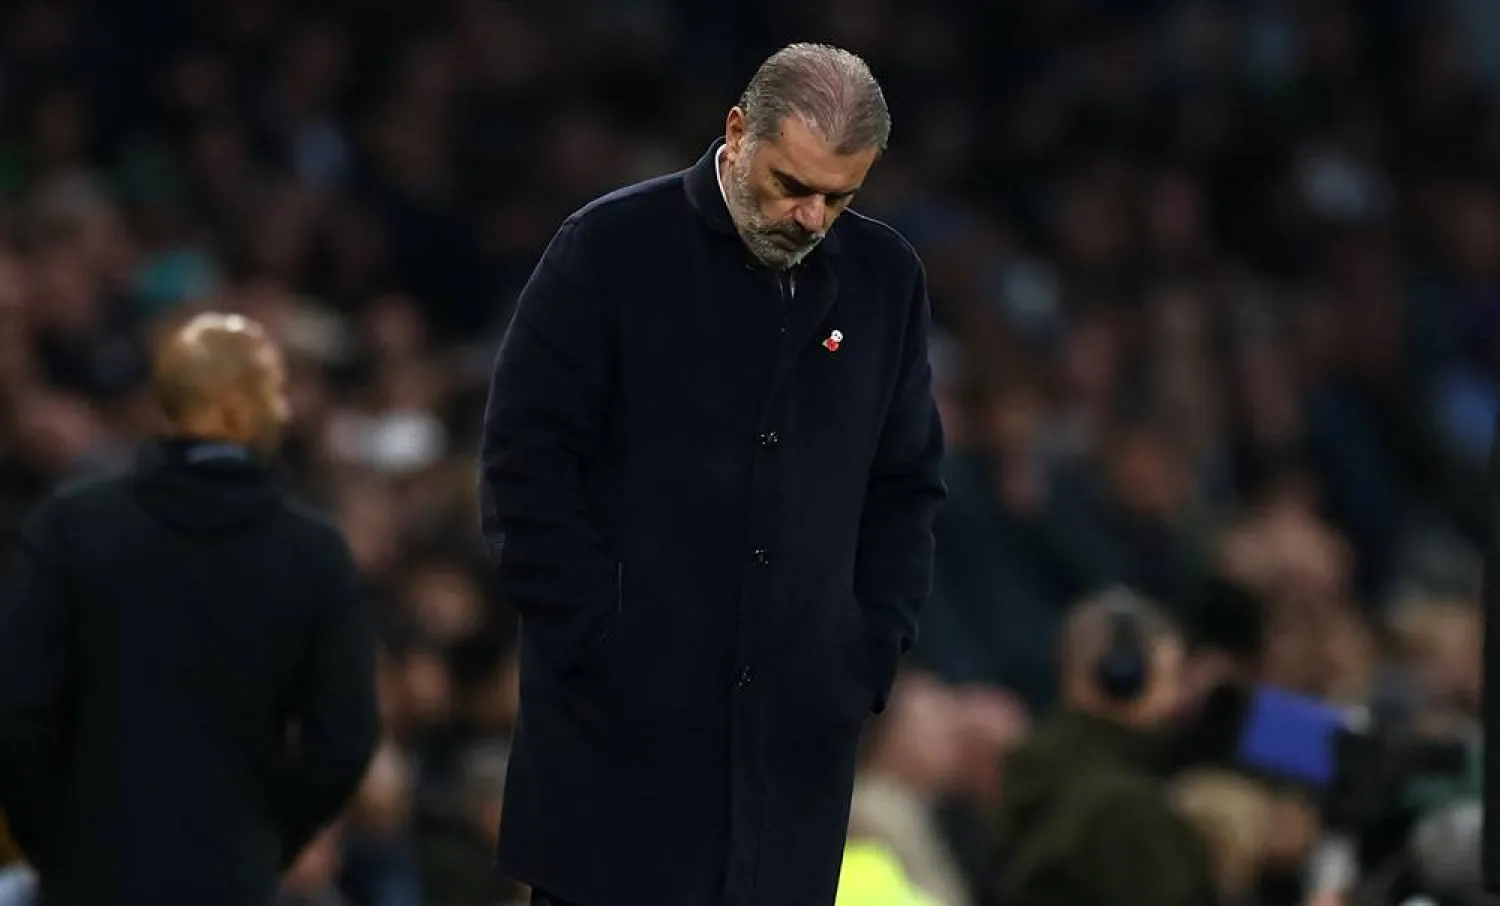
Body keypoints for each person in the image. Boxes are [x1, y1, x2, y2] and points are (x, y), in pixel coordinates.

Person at [479, 42, 946, 906]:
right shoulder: (608, 250)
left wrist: (867, 651)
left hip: (791, 757)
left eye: (839, 198)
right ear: (736, 132)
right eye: (790, 186)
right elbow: (524, 466)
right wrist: (598, 640)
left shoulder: (886, 281)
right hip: (614, 756)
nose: (811, 217)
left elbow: (905, 486)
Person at [0, 313, 380, 906]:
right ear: (250, 406)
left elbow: (17, 709)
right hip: (230, 875)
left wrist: (57, 842)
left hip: (87, 873)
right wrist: (264, 841)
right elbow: (343, 740)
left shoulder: (71, 526)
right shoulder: (313, 552)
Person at [991, 588, 1218, 906]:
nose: (1178, 700)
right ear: (1123, 676)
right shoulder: (1127, 810)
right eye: (1170, 678)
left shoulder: (1025, 772)